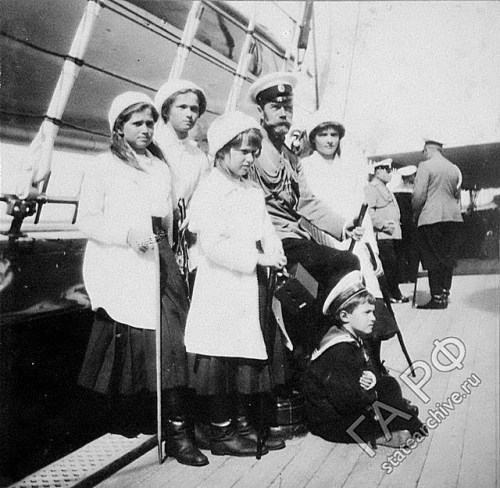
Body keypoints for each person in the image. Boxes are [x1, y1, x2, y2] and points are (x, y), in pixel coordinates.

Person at [77, 91, 208, 467]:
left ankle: (181, 431)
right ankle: (164, 428)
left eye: (151, 123)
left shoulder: (160, 166)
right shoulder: (103, 165)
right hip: (121, 260)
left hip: (159, 256)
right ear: (119, 127)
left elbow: (167, 220)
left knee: (175, 339)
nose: (147, 129)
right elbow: (87, 219)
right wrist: (125, 234)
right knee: (140, 346)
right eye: (138, 123)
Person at [185, 111, 288, 457]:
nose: (249, 159)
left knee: (244, 358)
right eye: (242, 151)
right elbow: (212, 245)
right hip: (220, 287)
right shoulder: (210, 190)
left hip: (246, 287)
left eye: (253, 152)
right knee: (220, 361)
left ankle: (242, 423)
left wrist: (275, 250)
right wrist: (256, 258)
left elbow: (267, 229)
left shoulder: (251, 191)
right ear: (221, 152)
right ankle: (220, 429)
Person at [247, 72, 362, 359]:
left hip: (296, 238)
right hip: (273, 240)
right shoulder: (252, 148)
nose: (284, 114)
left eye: (288, 107)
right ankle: (321, 348)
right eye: (276, 107)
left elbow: (306, 202)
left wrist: (342, 226)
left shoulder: (289, 155)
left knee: (340, 267)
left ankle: (325, 350)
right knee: (344, 263)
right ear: (261, 111)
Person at [301, 112, 399, 375]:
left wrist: (372, 250)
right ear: (313, 138)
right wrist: (332, 241)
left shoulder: (349, 168)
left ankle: (374, 366)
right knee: (340, 309)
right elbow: (309, 211)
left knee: (370, 304)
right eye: (323, 135)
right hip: (328, 246)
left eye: (334, 135)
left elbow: (362, 211)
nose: (329, 140)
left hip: (358, 245)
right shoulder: (305, 167)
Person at [301, 271, 425, 446]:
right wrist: (373, 396)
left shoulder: (353, 337)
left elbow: (365, 368)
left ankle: (399, 418)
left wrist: (373, 378)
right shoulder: (339, 350)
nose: (373, 318)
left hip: (353, 400)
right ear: (344, 316)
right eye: (367, 312)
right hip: (332, 420)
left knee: (388, 384)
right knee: (382, 413)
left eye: (373, 312)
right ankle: (390, 430)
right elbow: (345, 401)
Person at [412, 137, 463, 309]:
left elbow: (419, 196)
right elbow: (457, 195)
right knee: (448, 257)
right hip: (453, 217)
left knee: (432, 257)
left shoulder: (425, 166)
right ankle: (445, 293)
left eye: (424, 152)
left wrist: (416, 214)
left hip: (431, 218)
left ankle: (436, 297)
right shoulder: (453, 168)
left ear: (428, 149)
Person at [365, 159, 409, 304]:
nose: (390, 174)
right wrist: (383, 225)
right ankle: (390, 295)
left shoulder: (384, 187)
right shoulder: (372, 188)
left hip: (392, 234)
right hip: (383, 234)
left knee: (393, 265)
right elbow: (369, 212)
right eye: (387, 170)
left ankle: (395, 293)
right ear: (378, 172)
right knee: (388, 266)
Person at [393, 165, 419, 283]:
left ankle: (402, 277)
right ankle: (412, 276)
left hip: (400, 225)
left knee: (401, 252)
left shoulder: (395, 191)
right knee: (413, 252)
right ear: (409, 178)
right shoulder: (414, 191)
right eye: (414, 176)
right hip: (413, 226)